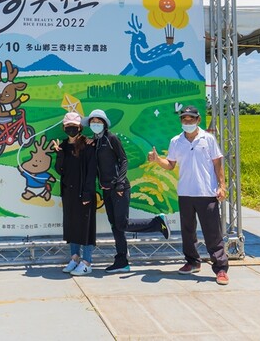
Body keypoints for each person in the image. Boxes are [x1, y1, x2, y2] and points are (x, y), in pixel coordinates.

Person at [148, 105, 229, 285]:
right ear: (181, 121)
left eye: (191, 119)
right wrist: (157, 160)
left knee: (212, 232)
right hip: (185, 192)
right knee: (188, 231)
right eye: (184, 119)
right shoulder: (176, 141)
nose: (188, 122)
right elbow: (170, 164)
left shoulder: (207, 139)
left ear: (198, 120)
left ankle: (221, 268)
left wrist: (222, 186)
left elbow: (218, 164)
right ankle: (192, 262)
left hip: (206, 193)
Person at [85, 108, 170, 273]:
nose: (95, 124)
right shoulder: (95, 142)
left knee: (122, 223)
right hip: (106, 190)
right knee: (115, 226)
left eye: (98, 121)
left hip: (119, 189)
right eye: (93, 122)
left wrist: (120, 183)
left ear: (105, 123)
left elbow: (123, 159)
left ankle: (157, 223)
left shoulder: (111, 138)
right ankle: (121, 260)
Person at [51, 112, 97, 277]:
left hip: (84, 193)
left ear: (80, 127)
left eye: (74, 126)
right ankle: (74, 258)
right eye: (68, 126)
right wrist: (59, 154)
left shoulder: (88, 145)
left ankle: (87, 261)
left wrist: (87, 193)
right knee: (72, 226)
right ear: (64, 128)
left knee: (86, 227)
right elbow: (60, 170)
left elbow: (92, 171)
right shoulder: (63, 146)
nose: (71, 129)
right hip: (69, 193)